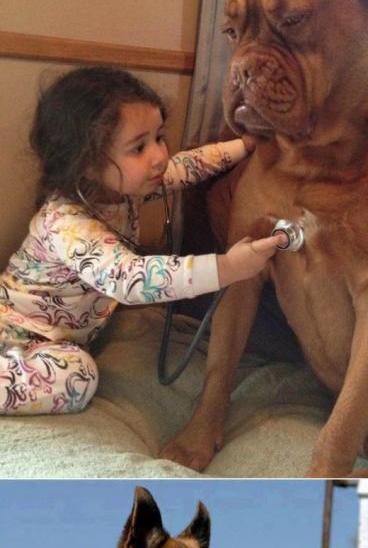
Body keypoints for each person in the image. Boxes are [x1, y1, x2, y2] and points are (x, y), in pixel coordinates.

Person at [0, 66, 291, 414]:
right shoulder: (66, 223)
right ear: (86, 163)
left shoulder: (127, 189)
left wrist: (245, 145)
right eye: (138, 147)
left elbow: (191, 164)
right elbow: (131, 278)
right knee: (78, 379)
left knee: (73, 368)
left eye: (159, 137)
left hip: (51, 345)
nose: (159, 156)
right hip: (13, 335)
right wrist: (226, 267)